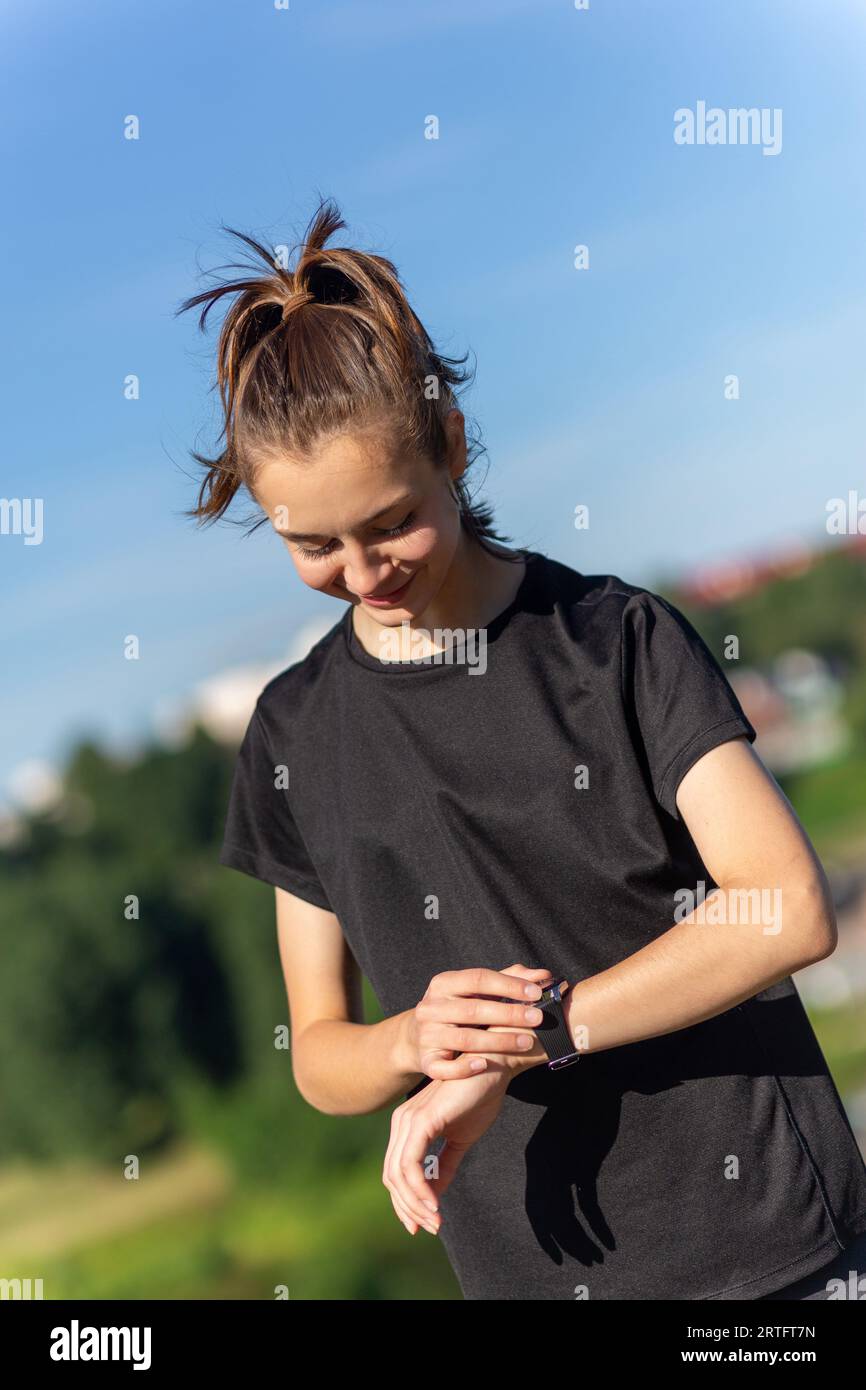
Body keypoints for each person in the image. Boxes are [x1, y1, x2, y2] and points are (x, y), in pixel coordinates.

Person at [179, 197, 866, 1301]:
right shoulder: (290, 734)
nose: (361, 574)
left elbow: (782, 907)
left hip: (769, 1254)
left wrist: (537, 1033)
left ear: (449, 444)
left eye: (389, 522)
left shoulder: (614, 641)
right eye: (313, 545)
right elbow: (318, 1052)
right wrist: (413, 1037)